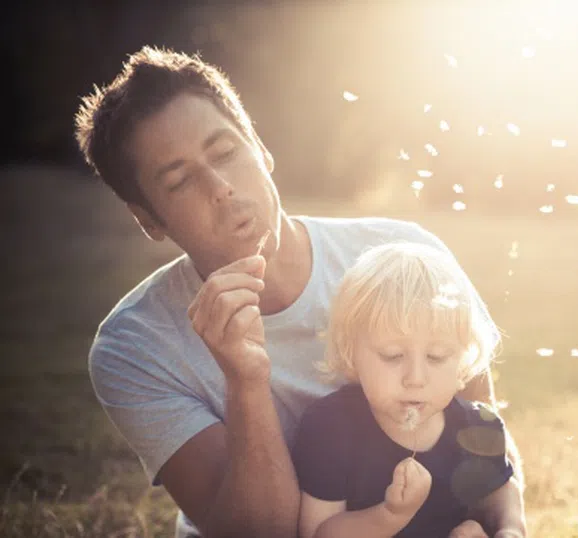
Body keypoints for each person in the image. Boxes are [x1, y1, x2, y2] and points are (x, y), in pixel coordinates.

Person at [74, 46, 526, 538]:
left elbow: (480, 437)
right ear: (149, 220)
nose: (220, 187)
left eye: (226, 153)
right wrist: (245, 382)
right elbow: (255, 532)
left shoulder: (407, 256)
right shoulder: (134, 346)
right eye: (181, 181)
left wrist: (509, 529)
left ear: (261, 149)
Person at [293, 241, 520, 538]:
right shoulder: (331, 428)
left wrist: (511, 529)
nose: (415, 378)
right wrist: (388, 516)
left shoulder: (478, 429)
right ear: (351, 352)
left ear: (462, 359)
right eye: (392, 355)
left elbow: (503, 494)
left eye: (436, 357)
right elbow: (315, 532)